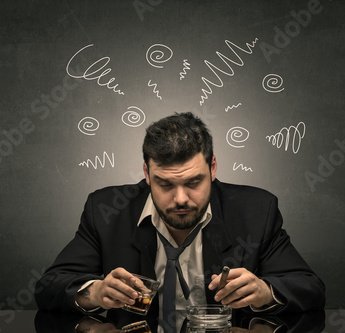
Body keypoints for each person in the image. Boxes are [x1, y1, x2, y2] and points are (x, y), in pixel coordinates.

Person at [35, 112, 325, 333]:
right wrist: (94, 292)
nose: (181, 199)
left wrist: (264, 292)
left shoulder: (257, 210)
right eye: (165, 184)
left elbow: (309, 288)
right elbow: (49, 287)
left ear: (212, 168)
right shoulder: (106, 211)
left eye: (193, 181)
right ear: (147, 174)